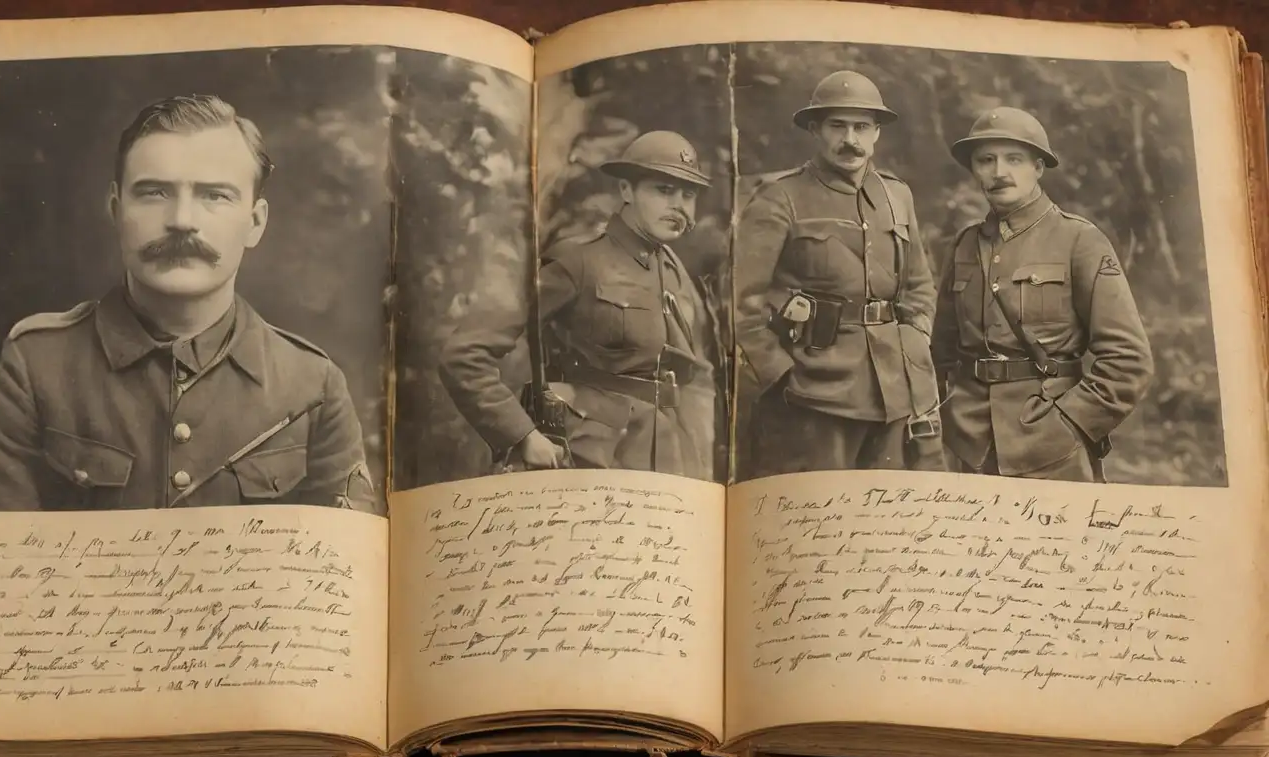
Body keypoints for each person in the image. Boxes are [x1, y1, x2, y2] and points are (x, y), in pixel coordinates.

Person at [0, 94, 375, 512]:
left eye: (215, 195)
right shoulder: (35, 368)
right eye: (155, 192)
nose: (182, 220)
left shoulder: (313, 387)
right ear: (117, 210)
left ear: (255, 221)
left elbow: (338, 571)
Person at [439, 130, 720, 480]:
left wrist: (700, 460)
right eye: (663, 191)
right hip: (588, 458)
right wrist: (522, 435)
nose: (678, 205)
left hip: (666, 462)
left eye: (688, 195)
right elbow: (464, 354)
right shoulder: (578, 260)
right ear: (626, 190)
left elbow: (697, 373)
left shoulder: (675, 269)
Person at [734, 70, 944, 477]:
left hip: (894, 390)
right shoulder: (781, 198)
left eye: (862, 127)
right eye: (838, 126)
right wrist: (781, 374)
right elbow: (740, 301)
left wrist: (914, 340)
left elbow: (919, 284)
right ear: (815, 129)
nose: (851, 139)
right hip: (814, 394)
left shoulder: (896, 195)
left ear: (877, 133)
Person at [931, 107, 1153, 482]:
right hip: (967, 449)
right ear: (974, 170)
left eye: (1014, 159)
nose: (1000, 171)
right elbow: (942, 352)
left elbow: (1129, 361)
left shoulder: (1079, 240)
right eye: (986, 160)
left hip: (1051, 451)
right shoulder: (966, 245)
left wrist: (1068, 424)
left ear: (1038, 167)